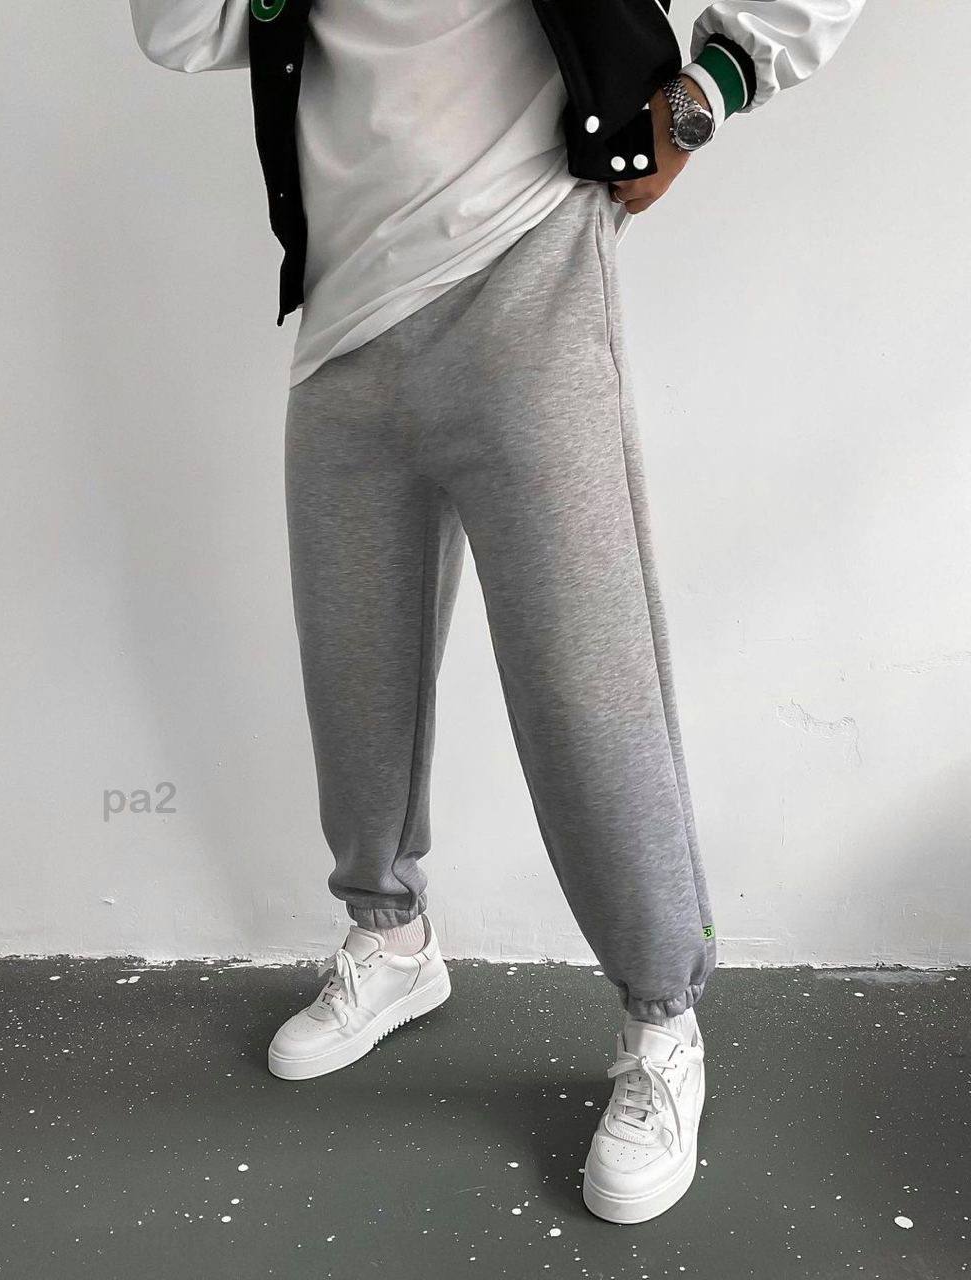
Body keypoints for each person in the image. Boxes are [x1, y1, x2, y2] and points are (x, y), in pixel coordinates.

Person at [129, 0, 863, 1223]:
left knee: (585, 686)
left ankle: (660, 1019)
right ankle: (390, 938)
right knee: (353, 677)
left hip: (527, 270)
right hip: (343, 314)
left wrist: (712, 86)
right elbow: (179, 30)